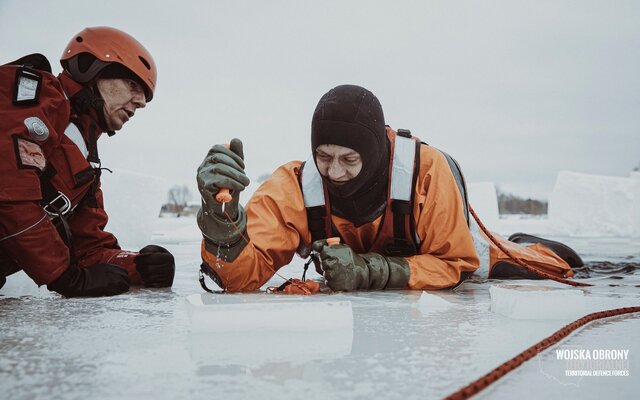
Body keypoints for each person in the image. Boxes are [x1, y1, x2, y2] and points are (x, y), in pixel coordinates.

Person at [196, 84, 582, 292]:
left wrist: (369, 271)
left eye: (350, 159)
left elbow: (455, 264)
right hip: (391, 261)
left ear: (375, 152)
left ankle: (531, 242)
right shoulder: (295, 185)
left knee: (549, 266)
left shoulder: (426, 171)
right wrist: (221, 225)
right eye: (324, 156)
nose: (335, 171)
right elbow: (239, 279)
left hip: (461, 249)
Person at [0, 27, 175, 297]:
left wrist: (138, 266)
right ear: (92, 71)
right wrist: (63, 275)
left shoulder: (86, 163)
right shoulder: (36, 96)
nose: (140, 102)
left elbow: (88, 249)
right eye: (133, 86)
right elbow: (9, 187)